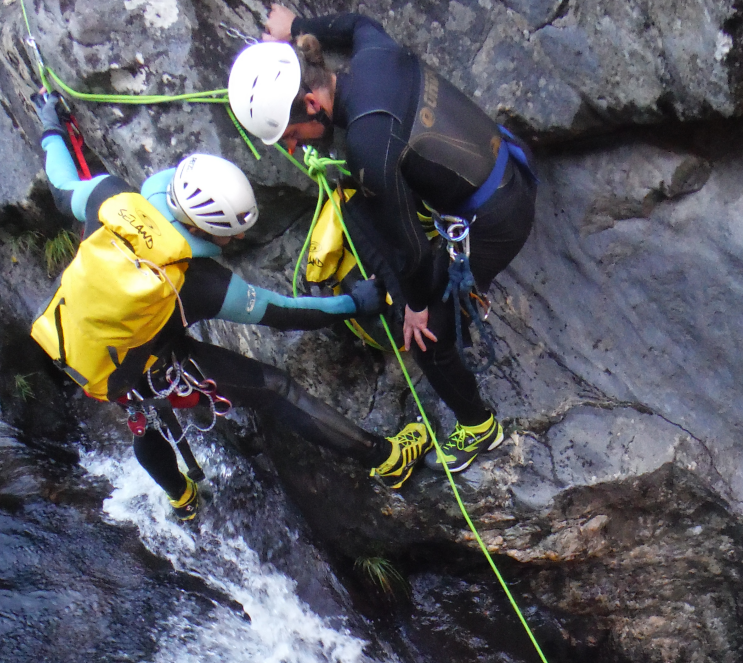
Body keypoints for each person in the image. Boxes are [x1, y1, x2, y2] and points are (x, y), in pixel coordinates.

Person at [29, 95, 430, 519]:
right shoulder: (200, 284)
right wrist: (355, 303)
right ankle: (387, 459)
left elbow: (60, 182)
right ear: (207, 230)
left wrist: (51, 123)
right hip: (140, 364)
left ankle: (181, 498)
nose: (235, 242)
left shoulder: (108, 198)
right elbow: (283, 313)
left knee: (142, 417)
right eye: (229, 235)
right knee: (275, 389)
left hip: (74, 338)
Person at [228, 5, 538, 477]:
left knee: (426, 335)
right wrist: (296, 28)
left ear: (312, 103)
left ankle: (479, 426)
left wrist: (415, 306)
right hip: (495, 166)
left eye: (290, 135)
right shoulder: (374, 56)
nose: (293, 148)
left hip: (496, 220)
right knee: (358, 207)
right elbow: (355, 24)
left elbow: (411, 253)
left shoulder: (369, 147)